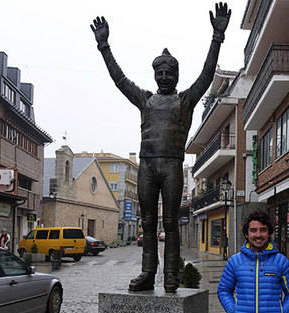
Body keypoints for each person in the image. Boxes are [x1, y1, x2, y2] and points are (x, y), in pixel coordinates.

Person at [90, 3, 231, 293]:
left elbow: (206, 76)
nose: (165, 77)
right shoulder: (145, 100)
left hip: (171, 165)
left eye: (170, 73)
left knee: (171, 222)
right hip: (147, 166)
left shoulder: (185, 100)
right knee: (148, 222)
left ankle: (170, 274)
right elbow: (119, 80)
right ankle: (147, 272)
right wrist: (104, 46)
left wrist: (217, 37)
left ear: (176, 76)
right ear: (155, 75)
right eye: (161, 73)